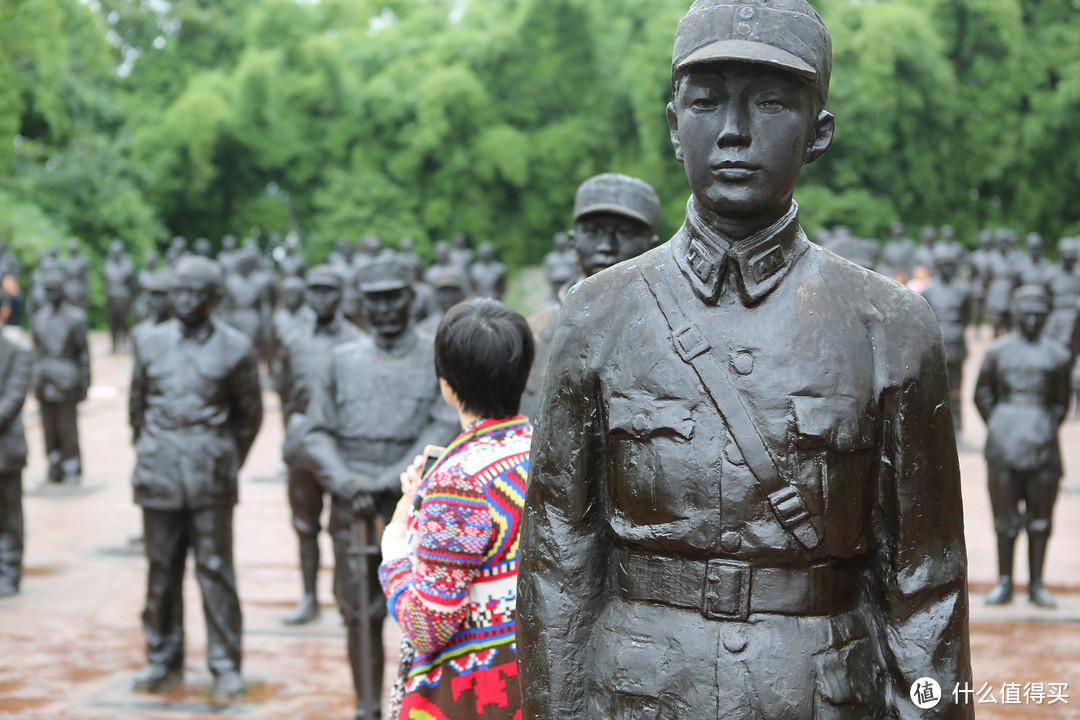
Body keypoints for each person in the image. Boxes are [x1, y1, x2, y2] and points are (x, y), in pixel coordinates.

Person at [517, 2, 974, 718]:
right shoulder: (595, 316)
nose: (733, 131)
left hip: (821, 692)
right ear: (675, 125)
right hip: (638, 694)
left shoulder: (891, 325)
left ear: (818, 132)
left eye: (769, 102)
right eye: (706, 101)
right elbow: (556, 566)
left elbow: (926, 589)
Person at [304, 257, 459, 719]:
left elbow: (440, 420)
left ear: (411, 299)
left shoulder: (436, 358)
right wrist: (344, 480)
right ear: (361, 304)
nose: (386, 308)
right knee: (360, 614)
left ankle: (418, 707)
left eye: (395, 297)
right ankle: (367, 709)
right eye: (376, 300)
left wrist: (392, 478)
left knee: (431, 611)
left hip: (414, 502)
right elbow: (314, 431)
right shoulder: (340, 360)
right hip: (353, 505)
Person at [379, 298, 533, 720]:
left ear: (447, 384)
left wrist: (395, 539)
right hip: (536, 676)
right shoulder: (547, 450)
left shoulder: (458, 481)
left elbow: (430, 625)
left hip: (474, 694)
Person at [128, 256, 263, 698]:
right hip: (159, 471)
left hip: (210, 476)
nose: (183, 301)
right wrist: (153, 450)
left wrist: (223, 459)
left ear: (213, 299)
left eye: (194, 293)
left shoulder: (236, 348)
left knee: (215, 571)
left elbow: (249, 417)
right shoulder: (148, 341)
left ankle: (225, 663)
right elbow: (138, 408)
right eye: (177, 292)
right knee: (161, 571)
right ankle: (161, 656)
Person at [519, 173, 660, 421]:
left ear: (652, 246)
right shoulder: (532, 333)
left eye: (624, 232)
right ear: (574, 243)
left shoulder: (666, 331)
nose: (607, 245)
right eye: (593, 232)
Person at [975, 285, 1071, 608]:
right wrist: (1002, 424)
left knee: (1041, 520)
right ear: (1016, 316)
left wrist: (1040, 426)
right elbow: (982, 395)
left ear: (1046, 318)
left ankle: (1037, 583)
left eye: (1039, 315)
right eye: (1026, 314)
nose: (1032, 320)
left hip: (1043, 447)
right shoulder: (997, 352)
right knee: (1005, 520)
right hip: (1004, 446)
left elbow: (1061, 403)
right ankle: (1004, 581)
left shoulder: (1058, 355)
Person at [276, 266, 362, 625]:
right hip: (303, 447)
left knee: (344, 527)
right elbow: (284, 394)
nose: (320, 298)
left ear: (341, 294)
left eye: (328, 291)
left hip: (343, 447)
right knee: (304, 525)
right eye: (314, 291)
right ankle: (309, 596)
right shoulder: (294, 342)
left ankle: (345, 597)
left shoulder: (358, 341)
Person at [30, 267, 90, 485]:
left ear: (63, 291)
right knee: (49, 428)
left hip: (67, 378)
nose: (50, 294)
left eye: (54, 290)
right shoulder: (38, 318)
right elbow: (35, 352)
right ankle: (53, 465)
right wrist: (33, 379)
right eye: (47, 290)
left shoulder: (75, 318)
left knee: (67, 428)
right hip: (44, 379)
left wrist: (85, 384)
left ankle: (71, 465)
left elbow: (83, 354)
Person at [921, 244, 972, 438]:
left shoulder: (964, 290)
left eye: (951, 265)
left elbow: (966, 316)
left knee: (957, 390)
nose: (947, 269)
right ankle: (937, 429)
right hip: (936, 347)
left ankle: (958, 428)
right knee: (935, 391)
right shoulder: (929, 292)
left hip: (956, 346)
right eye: (943, 265)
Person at [0, 327, 32, 597]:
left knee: (8, 516)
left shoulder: (17, 351)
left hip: (5, 451)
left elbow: (14, 398)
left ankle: (10, 572)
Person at [103, 239, 138, 353]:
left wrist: (131, 299)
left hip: (124, 299)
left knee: (125, 323)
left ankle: (126, 345)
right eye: (113, 252)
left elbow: (134, 285)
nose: (115, 254)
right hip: (111, 298)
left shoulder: (128, 265)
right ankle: (113, 346)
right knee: (113, 322)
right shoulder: (108, 264)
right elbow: (105, 282)